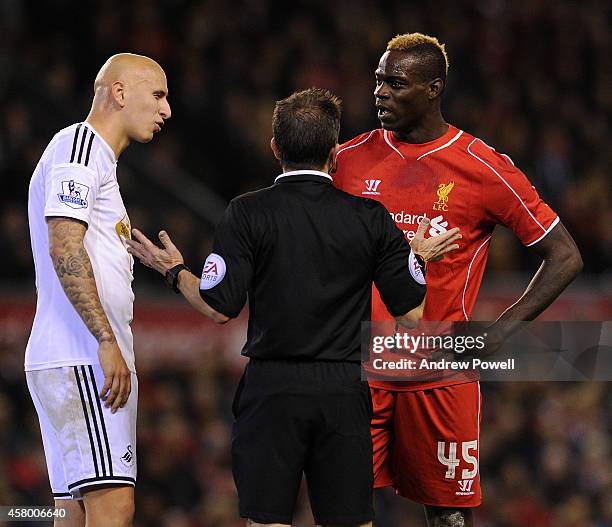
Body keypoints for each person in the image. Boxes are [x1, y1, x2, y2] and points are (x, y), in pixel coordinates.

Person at [125, 87, 461, 527]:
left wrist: (174, 271)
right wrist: (414, 258)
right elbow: (411, 316)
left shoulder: (247, 213)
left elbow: (218, 307)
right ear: (336, 152)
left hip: (272, 389)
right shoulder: (370, 217)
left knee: (266, 521)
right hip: (343, 389)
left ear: (275, 147)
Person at [332, 33, 583, 527]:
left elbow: (565, 256)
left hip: (440, 372)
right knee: (341, 508)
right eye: (378, 81)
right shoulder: (347, 160)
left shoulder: (482, 167)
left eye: (395, 83)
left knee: (448, 517)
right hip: (359, 369)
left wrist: (500, 331)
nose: (379, 92)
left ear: (433, 89)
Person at [25, 53, 171, 527]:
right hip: (83, 356)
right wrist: (106, 340)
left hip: (67, 356)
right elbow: (64, 244)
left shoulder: (91, 160)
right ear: (120, 92)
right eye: (158, 95)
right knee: (113, 508)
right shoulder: (80, 146)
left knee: (70, 513)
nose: (166, 110)